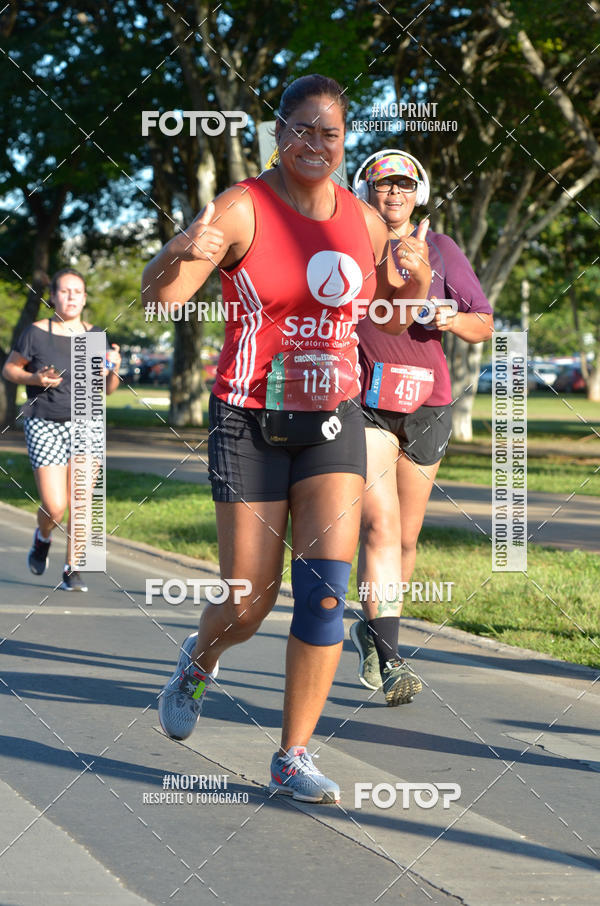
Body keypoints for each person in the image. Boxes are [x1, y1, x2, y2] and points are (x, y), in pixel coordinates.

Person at [142, 76, 431, 804]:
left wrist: (408, 283)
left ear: (343, 142)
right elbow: (161, 299)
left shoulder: (364, 223)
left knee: (326, 596)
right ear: (279, 133)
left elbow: (386, 323)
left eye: (328, 134)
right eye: (301, 129)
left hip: (333, 416)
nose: (314, 144)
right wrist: (182, 244)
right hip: (248, 418)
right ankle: (198, 662)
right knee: (250, 600)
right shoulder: (243, 207)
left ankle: (292, 754)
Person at [349, 149, 494, 705]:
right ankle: (391, 658)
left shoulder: (442, 249)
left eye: (404, 186)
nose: (393, 195)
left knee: (406, 537)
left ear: (419, 193)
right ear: (366, 189)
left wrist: (448, 314)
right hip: (366, 406)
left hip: (428, 404)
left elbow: (482, 322)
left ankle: (375, 627)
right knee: (379, 529)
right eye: (384, 186)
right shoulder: (350, 247)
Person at [2, 268, 121, 590]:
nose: (71, 297)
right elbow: (10, 369)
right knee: (55, 507)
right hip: (44, 423)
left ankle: (72, 569)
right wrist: (35, 379)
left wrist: (114, 369)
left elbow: (106, 388)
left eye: (78, 292)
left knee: (81, 500)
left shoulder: (94, 335)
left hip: (87, 424)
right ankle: (42, 537)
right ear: (53, 297)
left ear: (84, 298)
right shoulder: (36, 333)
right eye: (65, 291)